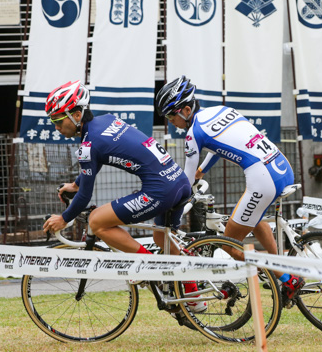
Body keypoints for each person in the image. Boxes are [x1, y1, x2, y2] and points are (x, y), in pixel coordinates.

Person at [41, 80, 205, 311]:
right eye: (52, 121)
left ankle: (150, 267)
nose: (56, 127)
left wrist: (64, 218)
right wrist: (77, 184)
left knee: (96, 220)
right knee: (162, 239)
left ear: (77, 114)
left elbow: (86, 196)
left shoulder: (88, 145)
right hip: (177, 181)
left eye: (58, 120)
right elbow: (92, 170)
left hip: (160, 189)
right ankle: (193, 295)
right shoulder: (106, 120)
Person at [155, 75, 305, 302]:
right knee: (254, 219)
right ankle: (279, 267)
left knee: (228, 243)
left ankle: (286, 278)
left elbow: (185, 181)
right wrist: (202, 171)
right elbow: (217, 147)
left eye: (170, 116)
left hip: (263, 178)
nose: (170, 122)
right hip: (281, 164)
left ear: (185, 110)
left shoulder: (193, 134)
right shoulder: (222, 110)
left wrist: (177, 202)